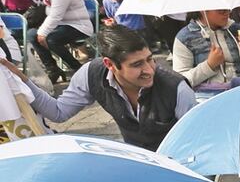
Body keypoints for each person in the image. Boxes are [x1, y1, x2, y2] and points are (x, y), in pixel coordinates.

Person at [5, 25, 193, 150]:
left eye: (150, 59)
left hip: (177, 163)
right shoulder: (92, 74)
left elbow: (196, 144)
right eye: (137, 65)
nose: (149, 70)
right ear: (109, 64)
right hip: (137, 160)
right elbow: (57, 112)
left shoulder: (177, 89)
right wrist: (23, 82)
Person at [26, 0, 93, 83]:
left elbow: (56, 14)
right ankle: (53, 69)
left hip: (78, 26)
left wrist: (42, 33)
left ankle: (79, 69)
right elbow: (43, 1)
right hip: (63, 24)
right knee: (31, 34)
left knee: (51, 40)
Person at [172, 8, 240, 91]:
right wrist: (209, 65)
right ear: (203, 10)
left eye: (228, 9)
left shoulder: (237, 30)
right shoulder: (185, 38)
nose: (227, 13)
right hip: (208, 98)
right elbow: (180, 82)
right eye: (221, 11)